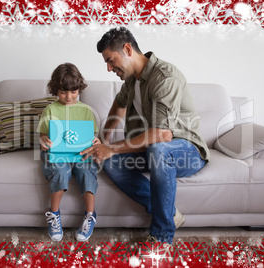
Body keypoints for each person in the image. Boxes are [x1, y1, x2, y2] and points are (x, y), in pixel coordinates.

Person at [80, 27, 210, 245]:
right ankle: (170, 213)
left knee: (157, 149)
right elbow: (119, 105)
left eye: (110, 60)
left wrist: (112, 147)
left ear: (128, 49)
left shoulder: (165, 77)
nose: (109, 68)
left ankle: (161, 238)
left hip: (186, 150)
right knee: (110, 162)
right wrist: (104, 139)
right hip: (152, 148)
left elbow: (163, 135)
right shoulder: (132, 80)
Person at [37, 63, 101, 242]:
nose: (68, 96)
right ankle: (54, 214)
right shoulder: (50, 109)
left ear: (79, 89)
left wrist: (96, 141)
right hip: (57, 152)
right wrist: (43, 140)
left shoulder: (86, 110)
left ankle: (90, 215)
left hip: (80, 152)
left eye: (73, 92)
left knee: (87, 170)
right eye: (63, 92)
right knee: (60, 170)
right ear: (55, 89)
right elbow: (43, 134)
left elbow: (91, 136)